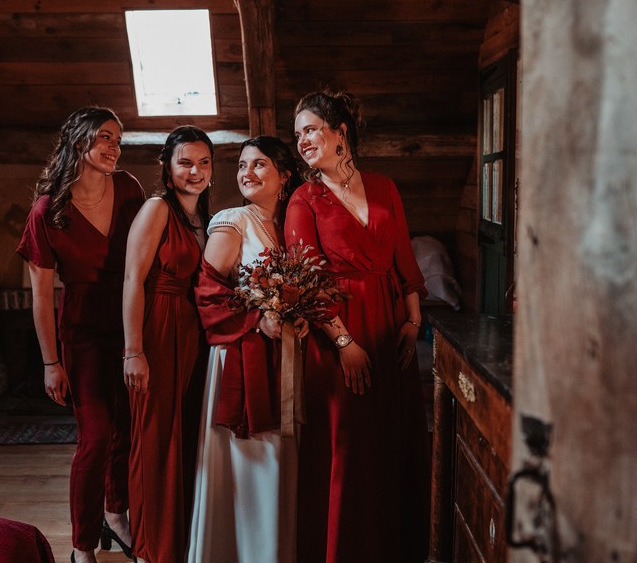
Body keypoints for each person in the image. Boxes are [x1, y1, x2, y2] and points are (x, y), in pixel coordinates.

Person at [285, 90, 431, 563]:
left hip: (391, 330)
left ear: (339, 131)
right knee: (348, 448)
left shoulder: (385, 187)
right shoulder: (303, 200)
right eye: (298, 134)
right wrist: (345, 342)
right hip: (338, 338)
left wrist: (412, 319)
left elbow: (404, 257)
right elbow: (305, 283)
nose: (303, 140)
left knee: (394, 442)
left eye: (310, 129)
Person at [17, 106, 144, 563]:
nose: (115, 147)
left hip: (131, 322)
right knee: (95, 435)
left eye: (118, 140)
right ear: (79, 142)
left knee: (126, 430)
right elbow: (40, 295)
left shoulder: (130, 188)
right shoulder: (47, 210)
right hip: (83, 330)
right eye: (106, 138)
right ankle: (81, 545)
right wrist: (51, 363)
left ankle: (116, 513)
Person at [188, 136, 305, 563]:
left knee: (280, 458)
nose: (247, 173)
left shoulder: (292, 225)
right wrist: (259, 318)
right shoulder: (232, 219)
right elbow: (207, 293)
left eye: (259, 165)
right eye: (241, 165)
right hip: (240, 354)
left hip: (282, 357)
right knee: (250, 460)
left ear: (284, 175)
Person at [121, 126, 213, 563]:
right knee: (156, 436)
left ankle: (178, 540)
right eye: (185, 162)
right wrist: (133, 350)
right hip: (158, 328)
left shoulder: (206, 218)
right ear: (168, 167)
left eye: (203, 163)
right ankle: (150, 548)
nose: (194, 171)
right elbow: (132, 280)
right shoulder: (157, 208)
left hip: (194, 333)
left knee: (184, 434)